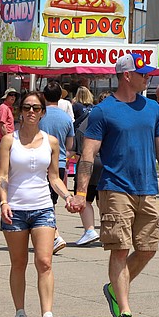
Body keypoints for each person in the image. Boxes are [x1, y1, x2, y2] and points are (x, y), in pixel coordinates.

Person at [69, 52, 159, 317]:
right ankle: (125, 311)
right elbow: (88, 155)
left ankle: (114, 289)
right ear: (127, 75)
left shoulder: (153, 108)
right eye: (144, 74)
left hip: (148, 188)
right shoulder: (103, 111)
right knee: (120, 248)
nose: (148, 78)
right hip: (115, 188)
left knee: (148, 248)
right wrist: (81, 192)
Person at [0, 91, 73, 317]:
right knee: (18, 263)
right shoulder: (10, 140)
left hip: (42, 208)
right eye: (27, 107)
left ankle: (47, 316)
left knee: (45, 262)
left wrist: (67, 196)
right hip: (15, 209)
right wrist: (3, 202)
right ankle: (20, 313)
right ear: (20, 110)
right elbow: (2, 175)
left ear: (43, 112)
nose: (31, 112)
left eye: (37, 108)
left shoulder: (51, 141)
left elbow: (53, 177)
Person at [39, 81, 74, 254]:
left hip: (41, 163)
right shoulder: (66, 118)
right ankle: (52, 236)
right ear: (60, 97)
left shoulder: (39, 116)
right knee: (50, 202)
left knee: (44, 203)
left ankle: (54, 235)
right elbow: (70, 145)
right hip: (59, 163)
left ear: (44, 96)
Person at [71, 86, 100, 246]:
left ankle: (89, 230)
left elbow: (78, 147)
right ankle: (108, 231)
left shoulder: (83, 121)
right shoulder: (107, 120)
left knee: (85, 199)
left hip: (88, 163)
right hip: (106, 164)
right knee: (104, 200)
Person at [0, 88, 18, 191]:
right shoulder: (4, 108)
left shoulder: (9, 108)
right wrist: (7, 138)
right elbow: (2, 124)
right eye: (11, 95)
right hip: (2, 139)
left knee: (3, 162)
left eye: (14, 95)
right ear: (6, 96)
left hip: (5, 138)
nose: (13, 97)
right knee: (4, 162)